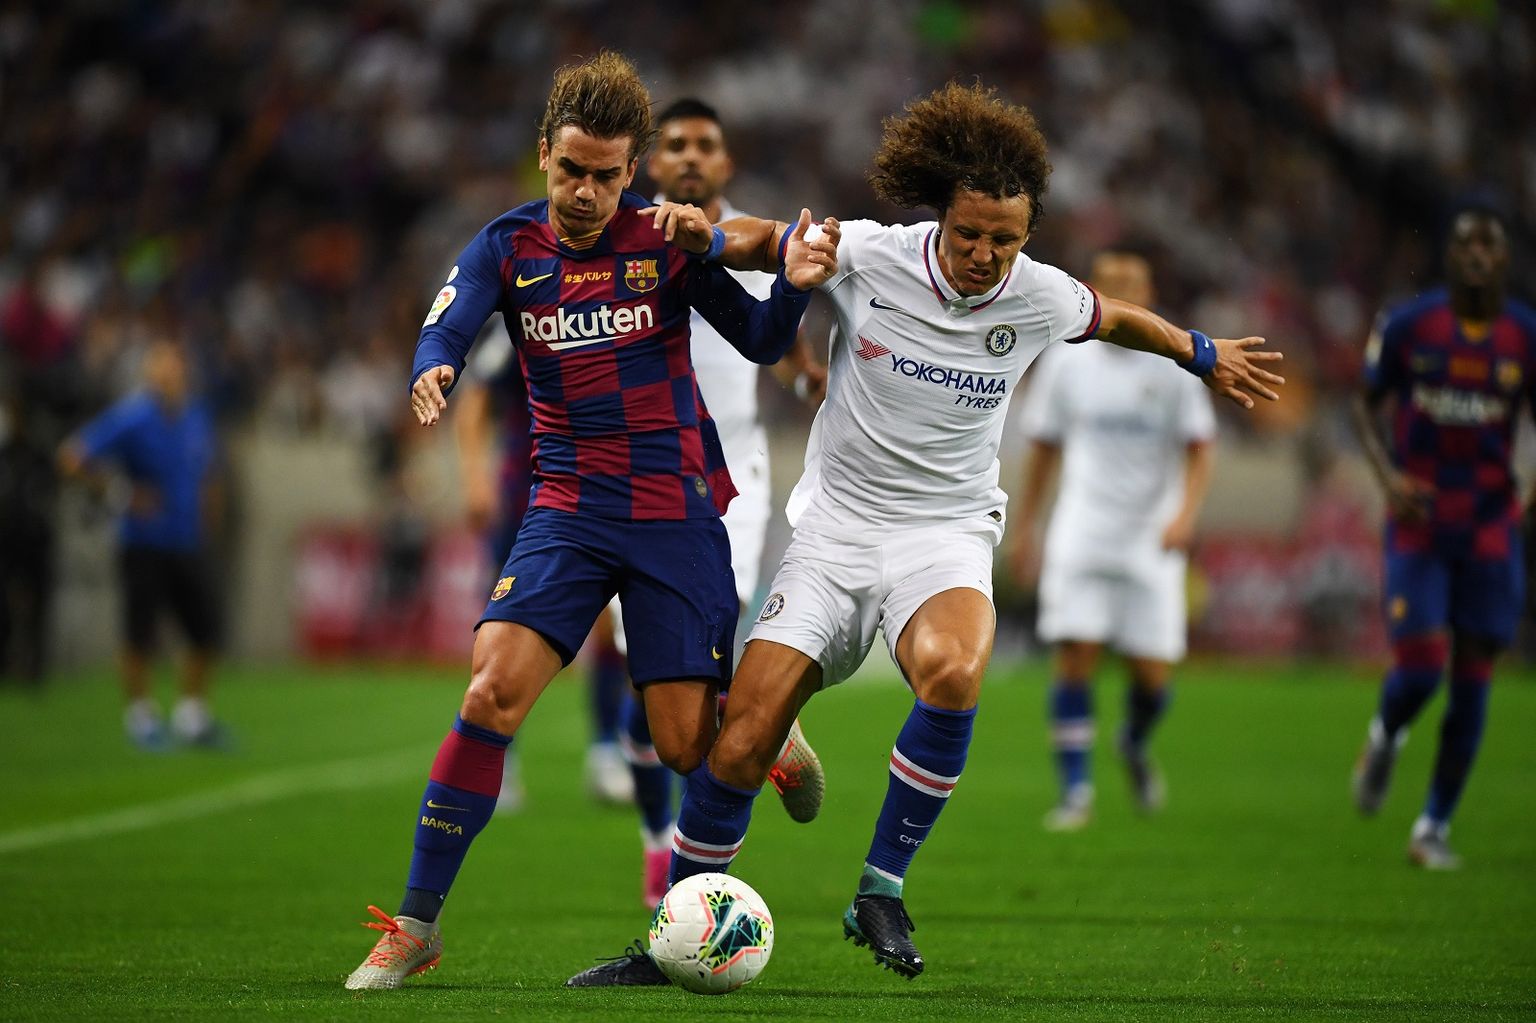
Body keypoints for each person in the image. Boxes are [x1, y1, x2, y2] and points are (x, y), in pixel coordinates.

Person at [569, 80, 1281, 985]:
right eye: (969, 234)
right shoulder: (872, 253)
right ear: (940, 216)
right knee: (739, 743)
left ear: (1027, 234)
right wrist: (708, 237)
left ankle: (880, 888)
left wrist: (1201, 351)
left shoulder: (1040, 295)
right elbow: (765, 238)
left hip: (944, 532)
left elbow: (1116, 317)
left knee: (953, 670)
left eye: (1005, 240)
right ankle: (671, 937)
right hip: (834, 530)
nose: (985, 254)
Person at [344, 51, 840, 991]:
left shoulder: (666, 240)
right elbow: (451, 316)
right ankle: (415, 924)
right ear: (545, 153)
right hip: (567, 507)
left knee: (684, 746)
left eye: (606, 175)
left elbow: (762, 339)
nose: (585, 191)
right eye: (571, 169)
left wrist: (796, 282)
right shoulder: (507, 244)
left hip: (672, 511)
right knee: (489, 692)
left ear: (631, 170)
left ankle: (759, 733)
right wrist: (434, 364)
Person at [619, 96, 830, 909]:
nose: (690, 156)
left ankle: (692, 846)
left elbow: (773, 334)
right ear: (652, 161)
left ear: (725, 162)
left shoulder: (746, 237)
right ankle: (663, 835)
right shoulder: (620, 235)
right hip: (630, 472)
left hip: (725, 472)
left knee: (707, 637)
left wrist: (806, 380)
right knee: (649, 685)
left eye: (705, 144)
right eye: (675, 144)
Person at [1349, 205, 1536, 870]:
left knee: (1475, 679)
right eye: (1466, 245)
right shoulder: (1410, 324)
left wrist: (1530, 486)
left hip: (1489, 526)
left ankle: (1433, 824)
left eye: (1489, 245)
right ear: (1450, 257)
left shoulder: (1524, 334)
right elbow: (1363, 402)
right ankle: (1385, 733)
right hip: (1420, 520)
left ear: (1504, 259)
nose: (1477, 255)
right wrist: (1388, 477)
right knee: (1424, 666)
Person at [1009, 247, 1216, 832]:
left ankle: (1133, 740)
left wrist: (1185, 515)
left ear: (1149, 294)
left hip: (1151, 536)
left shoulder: (1175, 360)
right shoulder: (1066, 360)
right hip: (1082, 529)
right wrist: (1027, 528)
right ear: (1092, 291)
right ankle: (1075, 792)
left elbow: (1200, 447)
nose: (1124, 291)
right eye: (1112, 282)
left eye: (1134, 282)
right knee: (1075, 656)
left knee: (1152, 676)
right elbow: (1044, 449)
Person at [453, 337, 634, 811]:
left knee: (609, 620)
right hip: (528, 499)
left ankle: (606, 753)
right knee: (504, 630)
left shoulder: (612, 317)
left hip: (596, 495)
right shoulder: (521, 325)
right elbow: (475, 398)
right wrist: (475, 478)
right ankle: (497, 761)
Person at [57, 337, 226, 749]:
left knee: (206, 630)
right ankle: (142, 718)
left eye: (175, 364)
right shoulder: (133, 416)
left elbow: (207, 471)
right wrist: (121, 492)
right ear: (149, 372)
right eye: (161, 364)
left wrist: (208, 518)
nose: (169, 372)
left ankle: (191, 717)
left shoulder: (196, 416)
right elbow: (72, 457)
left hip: (186, 540)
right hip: (144, 541)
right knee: (140, 633)